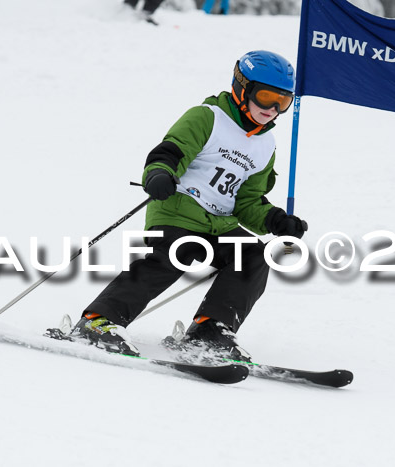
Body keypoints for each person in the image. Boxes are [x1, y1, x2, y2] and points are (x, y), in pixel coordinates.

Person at [71, 50, 308, 362]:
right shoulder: (207, 117)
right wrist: (159, 174)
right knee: (171, 257)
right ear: (242, 88)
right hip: (177, 210)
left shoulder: (265, 145)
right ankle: (97, 321)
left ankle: (209, 331)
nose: (273, 109)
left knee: (254, 255)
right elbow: (171, 150)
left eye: (283, 101)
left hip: (220, 223)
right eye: (265, 97)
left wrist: (275, 221)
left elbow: (247, 202)